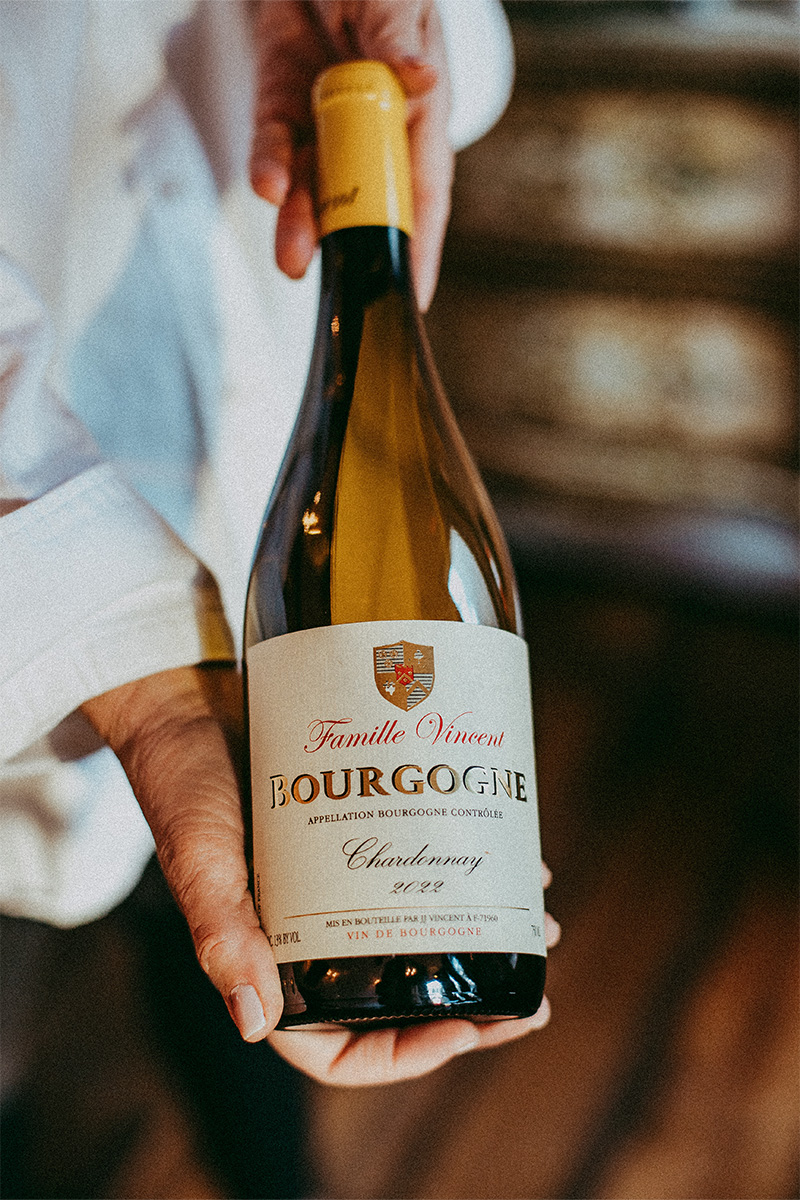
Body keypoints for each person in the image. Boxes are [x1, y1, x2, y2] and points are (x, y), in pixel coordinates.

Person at [1, 0, 557, 1100]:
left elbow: (469, 69)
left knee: (246, 1019)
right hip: (29, 655)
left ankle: (279, 1175)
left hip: (252, 539)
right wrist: (135, 669)